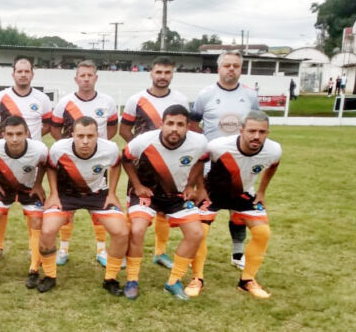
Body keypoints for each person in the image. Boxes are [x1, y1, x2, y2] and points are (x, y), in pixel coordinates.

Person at [122, 105, 207, 300]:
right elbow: (125, 159)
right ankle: (132, 280)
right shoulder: (143, 141)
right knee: (137, 229)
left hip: (176, 195)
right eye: (170, 123)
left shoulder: (199, 142)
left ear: (188, 126)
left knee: (196, 233)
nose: (174, 129)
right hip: (147, 193)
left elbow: (202, 159)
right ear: (162, 124)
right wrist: (136, 185)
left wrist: (191, 185)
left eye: (180, 124)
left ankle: (173, 281)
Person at [193, 110, 281, 299]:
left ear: (267, 133)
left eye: (262, 132)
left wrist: (262, 191)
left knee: (263, 233)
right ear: (241, 130)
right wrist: (199, 188)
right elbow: (198, 162)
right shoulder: (217, 146)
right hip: (213, 193)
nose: (256, 136)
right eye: (251, 131)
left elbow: (274, 164)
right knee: (199, 231)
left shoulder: (273, 150)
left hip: (243, 194)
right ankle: (197, 278)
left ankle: (247, 280)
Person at [38, 117, 128, 294]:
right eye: (80, 136)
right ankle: (49, 276)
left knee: (121, 232)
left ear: (98, 135)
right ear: (72, 135)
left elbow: (116, 166)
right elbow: (50, 168)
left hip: (98, 196)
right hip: (66, 196)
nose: (85, 141)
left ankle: (110, 279)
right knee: (47, 230)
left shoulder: (109, 148)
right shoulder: (59, 148)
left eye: (90, 136)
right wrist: (54, 194)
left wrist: (112, 193)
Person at [191, 51, 259, 270]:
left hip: (242, 165)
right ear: (218, 68)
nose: (231, 69)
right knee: (205, 211)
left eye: (236, 66)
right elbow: (194, 124)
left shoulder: (250, 95)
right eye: (227, 65)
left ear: (241, 69)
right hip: (213, 165)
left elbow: (255, 124)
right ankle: (196, 254)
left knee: (237, 211)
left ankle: (238, 254)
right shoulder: (205, 94)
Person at [120, 56, 190, 270]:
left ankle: (160, 252)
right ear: (151, 73)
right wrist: (141, 150)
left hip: (171, 164)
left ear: (172, 74)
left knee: (164, 208)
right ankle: (124, 252)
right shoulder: (136, 100)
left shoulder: (181, 100)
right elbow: (124, 129)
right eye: (158, 72)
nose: (162, 77)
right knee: (135, 208)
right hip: (142, 168)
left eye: (167, 72)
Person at [50, 59, 118, 267]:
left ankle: (101, 250)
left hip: (97, 162)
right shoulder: (65, 102)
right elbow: (55, 129)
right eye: (83, 75)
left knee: (98, 206)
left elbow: (113, 129)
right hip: (70, 163)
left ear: (96, 78)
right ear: (76, 79)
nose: (86, 79)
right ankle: (63, 249)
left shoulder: (107, 102)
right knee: (66, 207)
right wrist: (69, 150)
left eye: (90, 75)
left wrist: (100, 148)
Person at [0, 57, 52, 259]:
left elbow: (48, 125)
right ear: (13, 74)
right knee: (1, 205)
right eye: (19, 71)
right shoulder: (0, 97)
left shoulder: (41, 98)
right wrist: (6, 141)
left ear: (32, 74)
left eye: (27, 71)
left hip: (31, 161)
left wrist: (30, 144)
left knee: (32, 204)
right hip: (7, 159)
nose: (23, 74)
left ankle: (33, 250)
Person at [0, 116, 47, 287]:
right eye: (10, 134)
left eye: (19, 134)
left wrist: (39, 184)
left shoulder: (39, 149)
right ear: (2, 134)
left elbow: (44, 164)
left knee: (36, 220)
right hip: (4, 188)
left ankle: (34, 269)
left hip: (28, 188)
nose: (15, 138)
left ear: (27, 133)